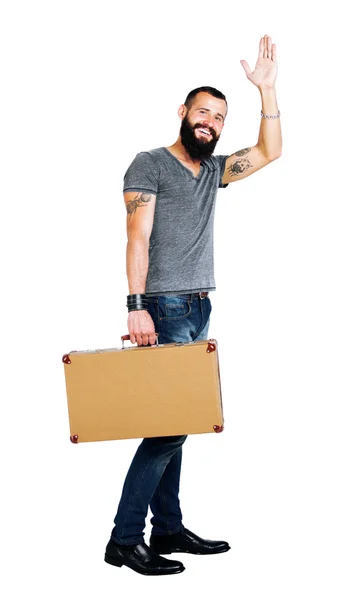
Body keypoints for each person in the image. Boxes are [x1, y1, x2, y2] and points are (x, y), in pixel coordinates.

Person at [104, 33, 282, 576]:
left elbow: (272, 151)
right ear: (182, 112)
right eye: (202, 112)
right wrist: (135, 305)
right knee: (169, 427)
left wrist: (267, 93)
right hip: (162, 308)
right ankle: (125, 538)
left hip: (198, 308)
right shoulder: (149, 163)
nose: (210, 123)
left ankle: (169, 529)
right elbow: (137, 236)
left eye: (219, 118)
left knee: (176, 423)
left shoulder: (213, 172)